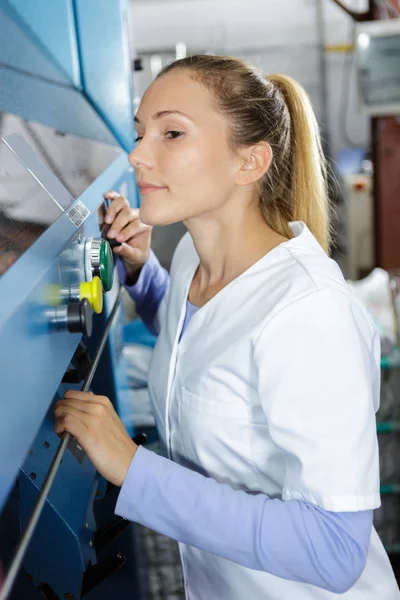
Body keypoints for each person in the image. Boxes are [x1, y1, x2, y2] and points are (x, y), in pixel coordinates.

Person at [54, 55, 399, 599]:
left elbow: (334, 551)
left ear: (250, 162)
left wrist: (134, 469)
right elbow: (205, 346)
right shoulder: (195, 255)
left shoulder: (308, 313)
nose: (137, 155)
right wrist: (145, 275)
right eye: (140, 132)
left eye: (172, 133)